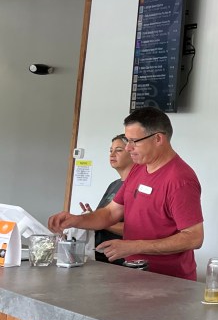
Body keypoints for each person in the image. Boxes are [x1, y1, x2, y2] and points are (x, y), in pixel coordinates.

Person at [49, 107, 204, 280]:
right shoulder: (138, 169)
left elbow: (194, 237)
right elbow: (111, 213)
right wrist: (76, 220)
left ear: (158, 139)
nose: (128, 148)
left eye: (134, 141)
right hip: (133, 274)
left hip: (169, 280)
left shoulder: (180, 180)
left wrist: (134, 246)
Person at [79, 134, 132, 262]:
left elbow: (137, 229)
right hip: (98, 255)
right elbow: (105, 215)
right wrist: (91, 215)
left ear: (133, 153)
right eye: (110, 150)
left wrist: (100, 221)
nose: (112, 154)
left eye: (118, 150)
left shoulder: (138, 187)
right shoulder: (114, 185)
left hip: (119, 259)